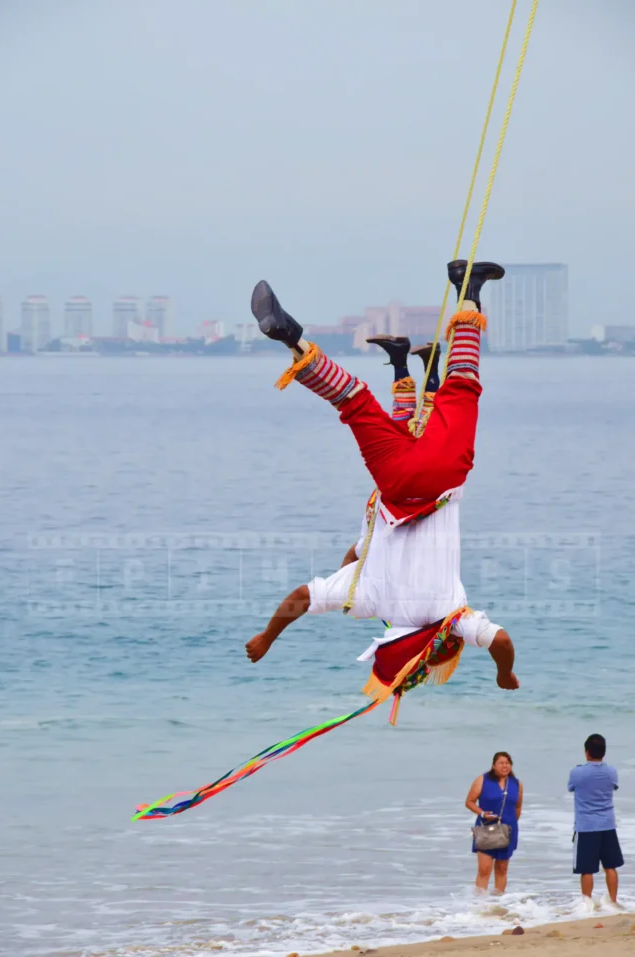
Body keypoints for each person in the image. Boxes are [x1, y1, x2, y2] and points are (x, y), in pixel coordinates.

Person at [245, 262, 519, 697]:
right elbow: (303, 594)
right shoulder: (365, 596)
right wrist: (267, 637)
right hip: (391, 482)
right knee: (354, 401)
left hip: (439, 478)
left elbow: (501, 642)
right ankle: (292, 339)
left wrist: (504, 674)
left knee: (461, 386)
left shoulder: (451, 615)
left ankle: (469, 287)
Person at [568, 734, 624, 908]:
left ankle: (586, 904)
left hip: (586, 826)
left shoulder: (577, 772)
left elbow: (571, 787)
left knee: (586, 869)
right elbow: (613, 786)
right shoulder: (611, 771)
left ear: (587, 752)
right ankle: (613, 901)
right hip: (607, 824)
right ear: (604, 752)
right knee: (611, 866)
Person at [465, 752, 523, 894]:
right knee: (484, 870)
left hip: (507, 830)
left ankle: (498, 903)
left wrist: (512, 823)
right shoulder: (482, 780)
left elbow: (518, 806)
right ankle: (480, 905)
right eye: (501, 763)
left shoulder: (516, 783)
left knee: (502, 869)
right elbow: (469, 802)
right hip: (486, 829)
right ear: (493, 765)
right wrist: (482, 813)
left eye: (508, 763)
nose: (505, 766)